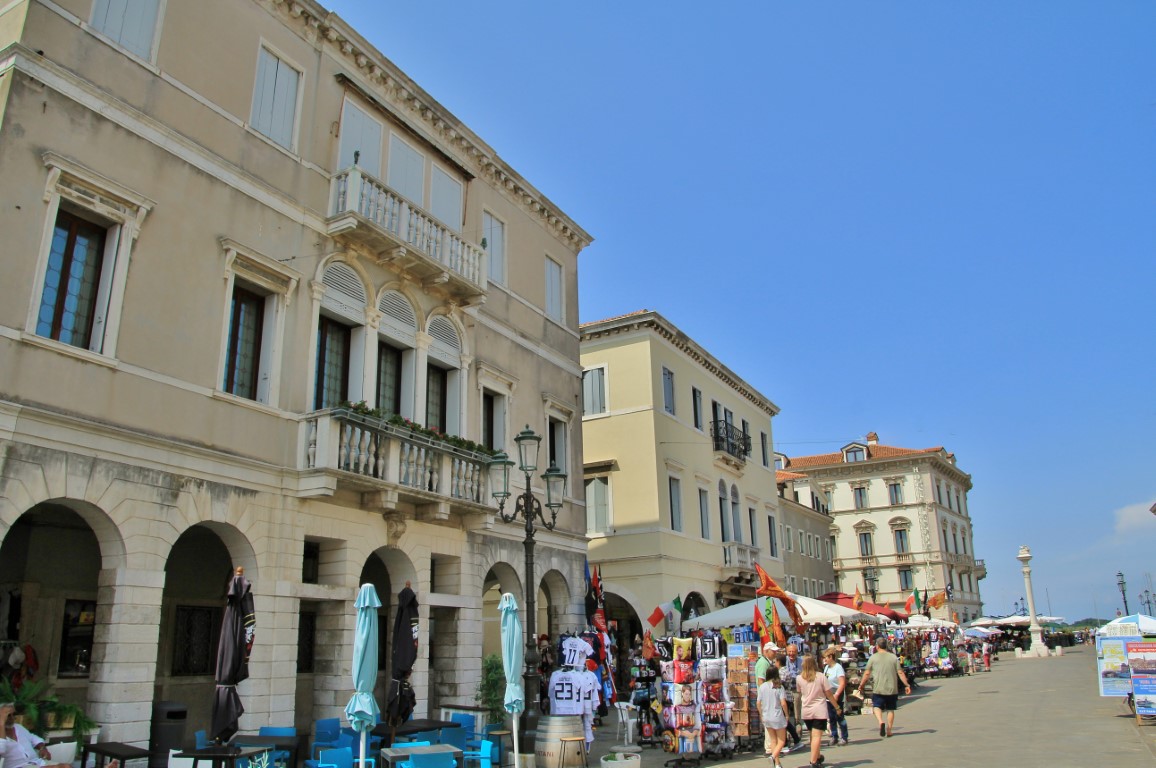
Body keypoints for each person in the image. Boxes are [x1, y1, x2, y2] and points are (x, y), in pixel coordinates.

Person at [0, 703, 97, 768]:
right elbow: (1, 750)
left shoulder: (18, 727)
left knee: (67, 766)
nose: (12, 718)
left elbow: (34, 738)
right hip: (20, 767)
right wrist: (1, 723)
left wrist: (42, 748)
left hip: (37, 763)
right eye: (8, 715)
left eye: (13, 715)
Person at [856, 636, 911, 737]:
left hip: (878, 688)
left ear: (877, 646)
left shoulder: (873, 658)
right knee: (890, 709)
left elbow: (867, 673)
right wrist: (907, 685)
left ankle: (881, 721)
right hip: (892, 688)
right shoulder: (893, 657)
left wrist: (861, 685)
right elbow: (900, 672)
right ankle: (889, 730)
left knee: (877, 707)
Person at [796, 656, 842, 768]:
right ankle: (813, 762)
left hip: (806, 710)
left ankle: (817, 756)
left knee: (813, 735)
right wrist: (837, 707)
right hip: (819, 710)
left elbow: (799, 692)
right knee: (817, 736)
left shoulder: (799, 678)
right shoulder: (821, 677)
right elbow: (829, 694)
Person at [756, 666, 790, 768]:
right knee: (782, 741)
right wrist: (787, 715)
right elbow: (783, 703)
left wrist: (761, 714)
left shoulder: (762, 686)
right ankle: (773, 756)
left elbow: (758, 703)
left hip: (766, 716)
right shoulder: (779, 686)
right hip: (777, 716)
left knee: (773, 740)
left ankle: (777, 763)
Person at [773, 654, 802, 752]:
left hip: (784, 699)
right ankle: (794, 740)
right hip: (787, 698)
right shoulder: (784, 671)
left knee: (783, 722)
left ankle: (786, 743)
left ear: (778, 662)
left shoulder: (782, 672)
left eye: (775, 661)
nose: (774, 663)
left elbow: (778, 685)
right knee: (785, 722)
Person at [822, 648, 848, 746]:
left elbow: (842, 683)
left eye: (826, 658)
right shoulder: (827, 668)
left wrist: (837, 694)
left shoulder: (838, 668)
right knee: (831, 717)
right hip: (828, 694)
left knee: (839, 716)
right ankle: (834, 736)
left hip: (837, 694)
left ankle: (844, 737)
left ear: (831, 657)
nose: (825, 660)